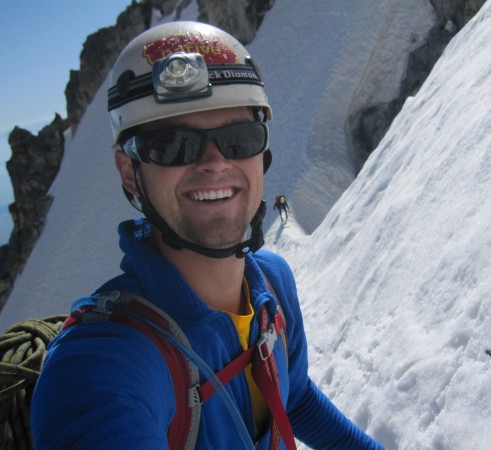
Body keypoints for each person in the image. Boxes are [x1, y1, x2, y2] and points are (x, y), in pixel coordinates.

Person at [30, 21, 383, 450]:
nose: (215, 163)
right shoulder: (101, 362)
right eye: (173, 145)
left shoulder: (272, 283)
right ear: (130, 172)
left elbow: (296, 398)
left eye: (239, 139)